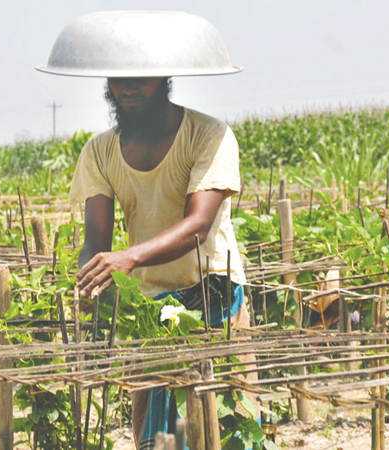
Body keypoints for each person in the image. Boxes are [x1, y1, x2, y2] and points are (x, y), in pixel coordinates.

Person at [38, 11, 257, 448]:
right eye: (118, 78)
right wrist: (90, 279)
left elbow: (198, 225)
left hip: (213, 297)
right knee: (157, 438)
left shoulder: (208, 136)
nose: (128, 86)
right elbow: (96, 243)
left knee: (227, 424)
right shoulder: (99, 152)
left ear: (165, 77)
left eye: (141, 76)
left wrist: (130, 257)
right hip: (150, 306)